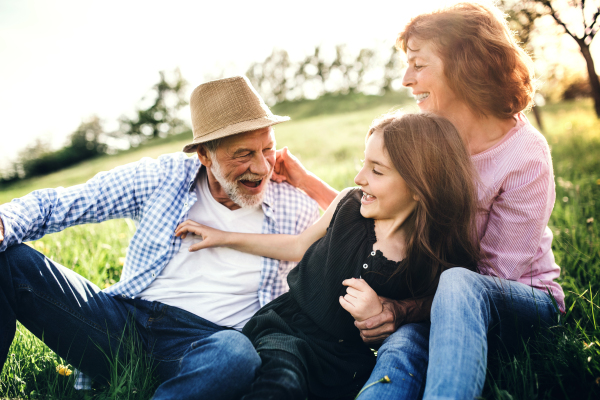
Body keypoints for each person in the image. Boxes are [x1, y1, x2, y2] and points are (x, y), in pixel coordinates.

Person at [274, 3, 564, 399]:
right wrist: (307, 182)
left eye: (418, 64)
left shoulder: (524, 155)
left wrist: (400, 308)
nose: (407, 79)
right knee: (400, 348)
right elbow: (380, 210)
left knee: (458, 283)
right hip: (434, 304)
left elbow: (490, 283)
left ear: (465, 64)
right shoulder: (434, 139)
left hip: (519, 302)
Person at [0, 76, 319, 400]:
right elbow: (67, 202)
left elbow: (356, 232)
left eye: (268, 149)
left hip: (208, 344)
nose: (262, 166)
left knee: (237, 354)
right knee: (8, 259)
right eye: (244, 154)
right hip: (125, 324)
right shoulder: (163, 177)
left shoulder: (295, 205)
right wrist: (4, 223)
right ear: (205, 156)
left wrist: (309, 183)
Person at [176, 111, 481, 399]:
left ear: (420, 186)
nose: (360, 176)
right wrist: (224, 237)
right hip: (288, 330)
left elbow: (440, 305)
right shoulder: (349, 204)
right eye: (363, 163)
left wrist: (390, 310)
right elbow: (297, 246)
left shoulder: (432, 253)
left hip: (348, 360)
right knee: (281, 383)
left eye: (376, 170)